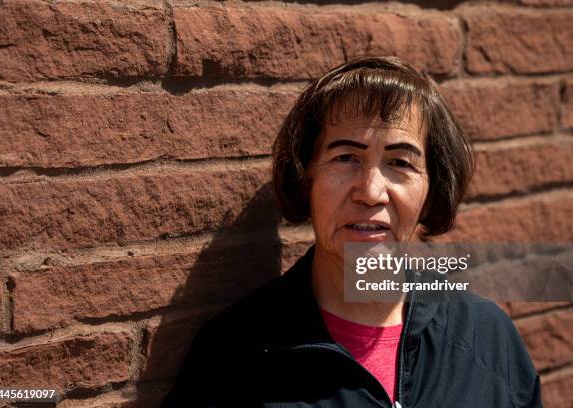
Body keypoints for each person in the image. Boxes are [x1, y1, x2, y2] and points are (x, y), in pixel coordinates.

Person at [162, 57, 542, 407]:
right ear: (304, 177)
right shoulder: (232, 355)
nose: (371, 192)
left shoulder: (487, 335)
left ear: (431, 190)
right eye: (346, 158)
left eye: (400, 162)